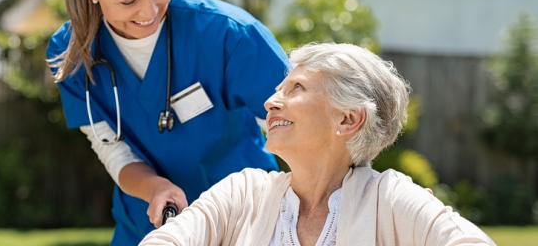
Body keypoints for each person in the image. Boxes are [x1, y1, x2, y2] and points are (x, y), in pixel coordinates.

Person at [139, 43, 495, 245]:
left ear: (347, 119)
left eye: (297, 88)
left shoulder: (390, 200)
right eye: (280, 88)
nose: (270, 102)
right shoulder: (242, 193)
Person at [45, 0, 290, 244]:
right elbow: (112, 150)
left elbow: (300, 127)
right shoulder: (70, 53)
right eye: (128, 1)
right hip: (148, 226)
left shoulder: (229, 32)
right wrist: (154, 188)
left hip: (244, 222)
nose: (150, 11)